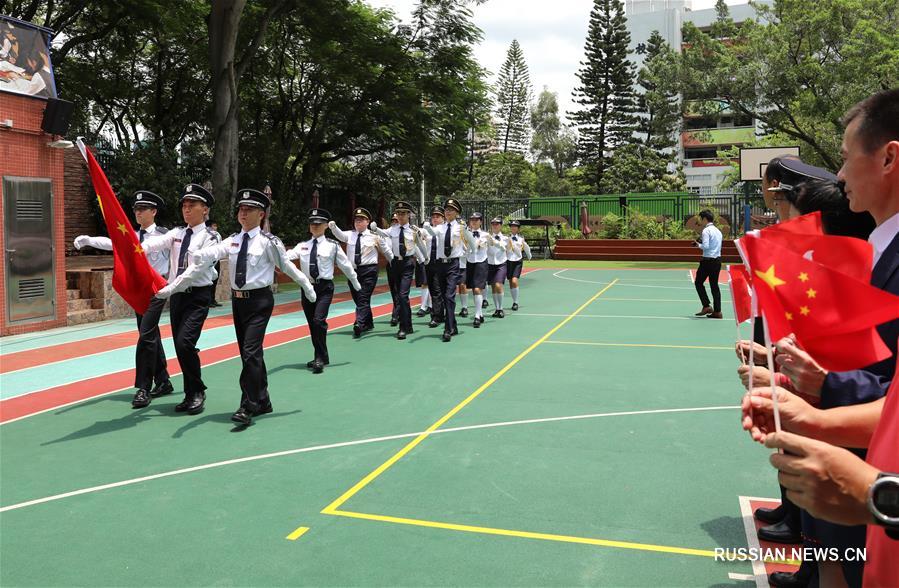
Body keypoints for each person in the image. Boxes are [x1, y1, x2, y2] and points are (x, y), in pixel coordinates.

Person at [744, 87, 899, 587]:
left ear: (889, 158)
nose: (838, 174)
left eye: (847, 157)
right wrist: (813, 399)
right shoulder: (884, 252)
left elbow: (885, 381)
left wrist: (826, 395)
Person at [155, 189, 316, 426]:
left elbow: (287, 267)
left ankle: (247, 404)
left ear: (261, 214)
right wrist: (199, 254)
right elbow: (216, 251)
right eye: (241, 209)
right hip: (238, 301)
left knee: (250, 351)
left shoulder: (268, 242)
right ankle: (262, 399)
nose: (243, 213)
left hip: (259, 301)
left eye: (249, 210)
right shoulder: (233, 240)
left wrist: (306, 286)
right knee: (249, 353)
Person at [73, 191, 173, 407]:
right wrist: (90, 240)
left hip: (157, 289)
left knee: (146, 335)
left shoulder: (165, 235)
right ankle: (163, 380)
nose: (137, 213)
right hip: (139, 290)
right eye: (135, 209)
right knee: (149, 334)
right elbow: (113, 243)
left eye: (142, 209)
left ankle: (143, 387)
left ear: (153, 212)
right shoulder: (132, 235)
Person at [134, 183, 220, 414]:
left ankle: (197, 391)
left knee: (185, 342)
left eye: (192, 205)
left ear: (205, 209)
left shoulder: (210, 237)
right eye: (184, 205)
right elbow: (152, 244)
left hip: (197, 296)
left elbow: (196, 270)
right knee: (180, 346)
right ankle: (190, 392)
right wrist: (134, 248)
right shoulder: (177, 234)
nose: (186, 209)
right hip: (178, 298)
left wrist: (170, 287)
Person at [288, 209, 361, 373]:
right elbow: (287, 257)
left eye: (318, 224)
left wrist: (355, 282)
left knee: (319, 321)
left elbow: (346, 265)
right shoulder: (302, 246)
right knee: (312, 324)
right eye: (312, 223)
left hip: (324, 288)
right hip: (307, 288)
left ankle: (319, 358)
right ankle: (321, 355)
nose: (315, 226)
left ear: (326, 226)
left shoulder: (332, 246)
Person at [328, 207, 394, 338]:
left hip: (369, 270)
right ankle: (368, 322)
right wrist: (333, 228)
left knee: (363, 297)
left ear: (368, 222)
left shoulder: (375, 236)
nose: (358, 222)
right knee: (358, 298)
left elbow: (386, 250)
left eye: (361, 220)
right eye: (356, 220)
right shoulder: (350, 234)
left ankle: (359, 323)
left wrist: (393, 263)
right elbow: (340, 235)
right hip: (353, 271)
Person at [371, 203, 418, 339]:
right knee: (401, 296)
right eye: (399, 213)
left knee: (403, 295)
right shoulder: (393, 229)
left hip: (408, 263)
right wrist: (375, 228)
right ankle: (408, 325)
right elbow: (383, 232)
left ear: (408, 215)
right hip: (396, 263)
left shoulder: (414, 231)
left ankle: (402, 327)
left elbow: (419, 245)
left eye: (403, 213)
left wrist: (424, 258)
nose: (401, 216)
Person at [423, 198, 466, 342]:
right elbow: (431, 232)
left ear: (457, 213)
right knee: (443, 295)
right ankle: (453, 325)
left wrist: (470, 253)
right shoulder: (440, 227)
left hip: (453, 264)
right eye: (446, 210)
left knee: (449, 296)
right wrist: (426, 227)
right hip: (440, 265)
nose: (448, 212)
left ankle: (448, 329)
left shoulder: (460, 228)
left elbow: (469, 241)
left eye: (451, 210)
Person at [418, 206, 446, 329]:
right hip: (430, 262)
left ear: (443, 218)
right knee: (433, 289)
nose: (435, 219)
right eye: (433, 217)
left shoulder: (445, 229)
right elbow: (420, 234)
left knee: (440, 290)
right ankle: (437, 315)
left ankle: (438, 315)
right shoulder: (428, 230)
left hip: (442, 263)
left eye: (438, 216)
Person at [693, 210, 723, 319]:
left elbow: (705, 246)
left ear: (705, 219)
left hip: (707, 261)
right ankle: (718, 311)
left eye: (701, 219)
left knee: (698, 282)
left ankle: (706, 306)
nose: (701, 221)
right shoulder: (718, 231)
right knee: (714, 286)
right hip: (717, 260)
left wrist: (697, 245)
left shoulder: (706, 231)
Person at [462, 212, 490, 327]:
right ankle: (481, 314)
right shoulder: (465, 234)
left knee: (478, 288)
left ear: (481, 221)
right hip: (470, 262)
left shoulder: (485, 235)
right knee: (474, 289)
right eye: (472, 219)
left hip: (481, 262)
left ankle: (477, 316)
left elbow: (488, 245)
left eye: (476, 219)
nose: (473, 221)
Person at [486, 217, 510, 318]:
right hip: (490, 263)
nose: (495, 226)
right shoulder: (486, 237)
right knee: (493, 287)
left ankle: (500, 309)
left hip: (501, 264)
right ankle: (496, 309)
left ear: (501, 226)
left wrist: (494, 242)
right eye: (493, 224)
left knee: (498, 284)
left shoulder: (505, 238)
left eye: (497, 224)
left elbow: (503, 248)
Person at [506, 220, 532, 311]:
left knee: (514, 281)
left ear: (518, 229)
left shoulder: (521, 239)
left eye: (515, 226)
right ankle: (514, 300)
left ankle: (515, 302)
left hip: (517, 261)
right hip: (508, 261)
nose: (513, 228)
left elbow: (526, 248)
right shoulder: (506, 238)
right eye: (512, 226)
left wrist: (529, 256)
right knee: (510, 281)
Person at [207, 220, 222, 307]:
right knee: (209, 281)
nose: (215, 227)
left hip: (217, 260)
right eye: (214, 225)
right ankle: (208, 301)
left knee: (215, 281)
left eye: (216, 225)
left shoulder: (218, 235)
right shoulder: (205, 235)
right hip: (209, 261)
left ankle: (213, 299)